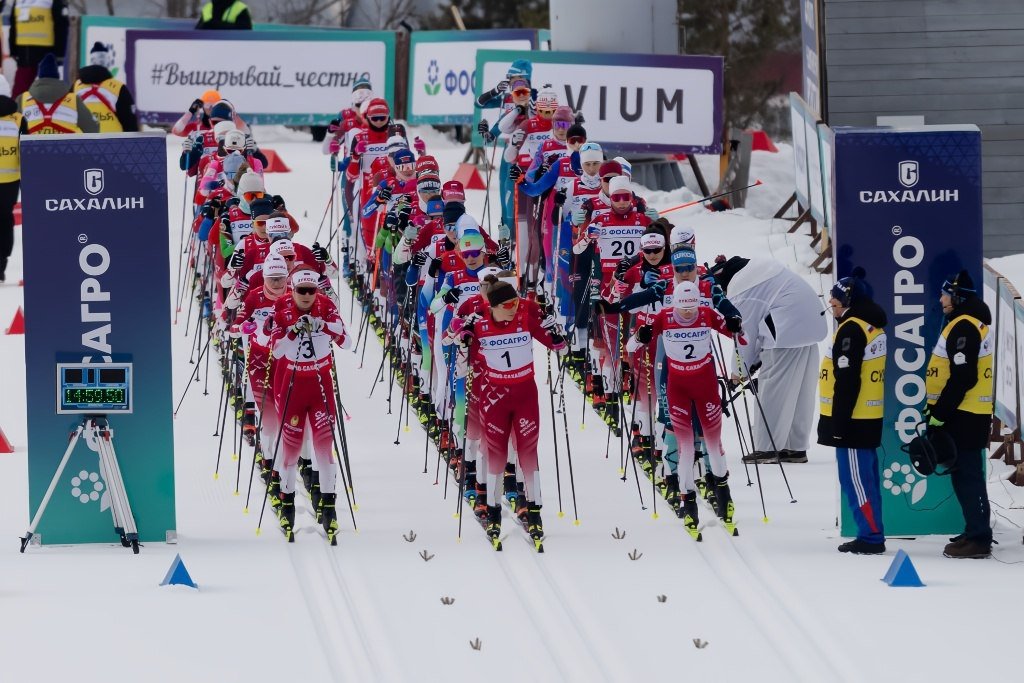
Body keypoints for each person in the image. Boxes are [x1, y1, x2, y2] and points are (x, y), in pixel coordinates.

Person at [450, 278, 567, 547]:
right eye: (507, 305)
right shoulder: (479, 324)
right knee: (496, 455)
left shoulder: (524, 319)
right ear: (492, 306)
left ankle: (535, 513)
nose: (513, 308)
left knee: (528, 453)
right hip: (494, 399)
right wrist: (463, 336)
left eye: (515, 302)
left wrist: (554, 327)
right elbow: (454, 336)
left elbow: (557, 345)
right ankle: (492, 513)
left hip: (525, 396)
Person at [629, 280, 740, 535]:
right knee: (686, 448)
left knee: (714, 444)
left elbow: (737, 333)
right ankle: (688, 502)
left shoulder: (706, 314)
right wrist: (641, 336)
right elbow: (632, 346)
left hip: (706, 387)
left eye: (691, 308)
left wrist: (735, 324)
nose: (688, 313)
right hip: (677, 389)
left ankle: (724, 495)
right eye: (683, 308)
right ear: (675, 304)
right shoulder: (664, 316)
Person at [709, 255, 827, 463]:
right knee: (800, 393)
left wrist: (738, 372)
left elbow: (745, 335)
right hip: (812, 328)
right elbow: (757, 326)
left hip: (786, 333)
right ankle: (795, 447)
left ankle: (767, 448)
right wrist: (752, 363)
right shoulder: (766, 273)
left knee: (773, 391)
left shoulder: (742, 289)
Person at [269, 267, 351, 542]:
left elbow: (347, 342)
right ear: (292, 290)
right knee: (290, 452)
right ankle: (287, 505)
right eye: (301, 291)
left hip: (320, 384)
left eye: (311, 291)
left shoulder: (326, 307)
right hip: (292, 384)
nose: (306, 296)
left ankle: (329, 508)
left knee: (324, 450)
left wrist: (324, 326)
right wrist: (292, 331)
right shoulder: (281, 307)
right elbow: (276, 350)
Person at [924, 270, 994, 559]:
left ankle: (978, 539)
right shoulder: (963, 323)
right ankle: (973, 530)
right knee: (963, 475)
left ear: (957, 297)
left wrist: (940, 412)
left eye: (945, 294)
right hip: (964, 413)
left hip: (964, 415)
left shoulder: (964, 326)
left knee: (968, 477)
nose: (941, 299)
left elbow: (964, 376)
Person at [818, 268, 887, 555]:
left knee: (857, 481)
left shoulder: (852, 328)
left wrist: (839, 422)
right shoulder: (868, 324)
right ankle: (871, 532)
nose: (831, 306)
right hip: (863, 419)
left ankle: (871, 537)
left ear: (847, 302)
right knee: (864, 480)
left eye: (834, 302)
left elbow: (847, 381)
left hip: (854, 420)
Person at [18, 53, 98, 134]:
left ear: (39, 77)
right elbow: (92, 129)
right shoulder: (74, 100)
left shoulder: (22, 99)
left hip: (32, 146)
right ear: (57, 76)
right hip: (67, 146)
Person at [7, 0, 69, 98]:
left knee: (45, 88)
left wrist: (59, 53)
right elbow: (13, 24)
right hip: (26, 53)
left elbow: (61, 25)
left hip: (45, 52)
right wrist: (13, 50)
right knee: (21, 91)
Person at [74, 42, 138, 133]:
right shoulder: (118, 87)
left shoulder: (76, 86)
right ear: (108, 62)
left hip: (82, 143)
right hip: (113, 143)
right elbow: (130, 122)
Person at [0, 75, 25, 283]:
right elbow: (27, 153)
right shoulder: (18, 119)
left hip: (10, 179)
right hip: (10, 181)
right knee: (5, 220)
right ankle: (0, 266)